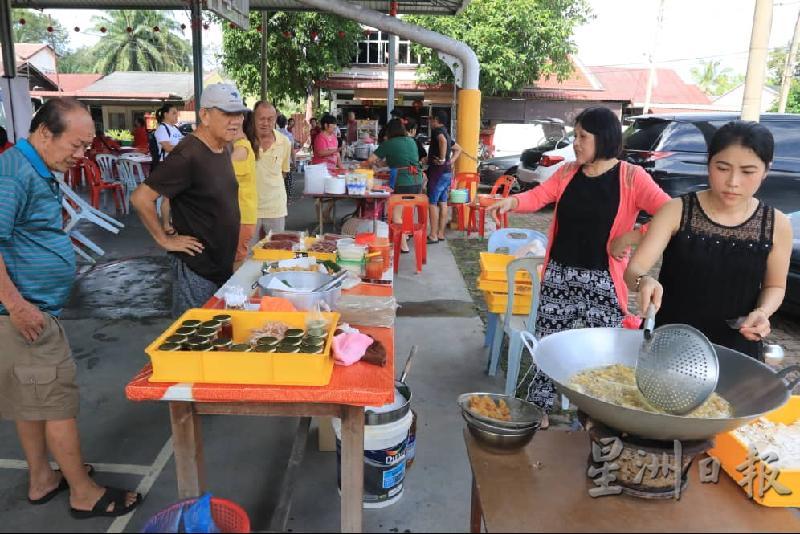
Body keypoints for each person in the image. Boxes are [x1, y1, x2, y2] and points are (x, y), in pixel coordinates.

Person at [0, 98, 140, 518]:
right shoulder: (14, 172)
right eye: (76, 146)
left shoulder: (35, 168)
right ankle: (83, 491)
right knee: (57, 403)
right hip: (26, 315)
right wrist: (17, 305)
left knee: (33, 399)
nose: (81, 156)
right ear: (45, 133)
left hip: (30, 310)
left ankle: (42, 478)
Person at [488, 107, 670, 418]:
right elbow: (540, 196)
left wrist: (632, 237)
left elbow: (669, 213)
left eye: (583, 137)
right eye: (576, 136)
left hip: (603, 280)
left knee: (601, 353)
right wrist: (513, 201)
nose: (576, 143)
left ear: (605, 138)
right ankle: (540, 409)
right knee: (549, 345)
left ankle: (596, 418)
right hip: (559, 274)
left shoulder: (630, 177)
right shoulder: (568, 172)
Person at [625, 121, 792, 361]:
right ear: (709, 163)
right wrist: (644, 281)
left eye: (748, 171)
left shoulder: (776, 224)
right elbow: (634, 270)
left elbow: (774, 286)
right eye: (722, 168)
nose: (733, 181)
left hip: (737, 348)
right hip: (670, 342)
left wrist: (763, 312)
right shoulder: (676, 210)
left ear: (766, 170)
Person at [131, 83, 247, 315]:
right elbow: (140, 198)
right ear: (204, 115)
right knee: (193, 338)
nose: (235, 121)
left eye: (239, 114)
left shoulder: (222, 147)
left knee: (217, 334)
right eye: (226, 114)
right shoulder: (188, 153)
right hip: (197, 269)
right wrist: (164, 239)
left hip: (219, 265)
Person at [363, 118, 424, 253]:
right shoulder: (411, 141)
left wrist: (366, 166)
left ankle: (403, 245)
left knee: (396, 213)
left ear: (389, 131)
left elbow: (370, 160)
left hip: (404, 182)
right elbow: (401, 160)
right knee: (406, 210)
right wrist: (381, 165)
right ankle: (406, 234)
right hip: (417, 180)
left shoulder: (389, 143)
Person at [251, 100, 292, 238]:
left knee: (276, 250)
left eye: (270, 119)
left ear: (275, 119)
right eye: (261, 118)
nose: (265, 123)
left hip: (275, 207)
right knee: (248, 254)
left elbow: (284, 172)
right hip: (249, 208)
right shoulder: (245, 141)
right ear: (253, 118)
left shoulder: (284, 142)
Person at [426, 111, 462, 243]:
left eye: (431, 120)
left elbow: (442, 141)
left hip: (438, 172)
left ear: (436, 120)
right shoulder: (446, 133)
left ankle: (433, 235)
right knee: (443, 202)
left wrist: (442, 159)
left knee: (432, 203)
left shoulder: (438, 132)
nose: (430, 122)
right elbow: (458, 149)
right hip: (446, 172)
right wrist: (449, 161)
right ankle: (440, 233)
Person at [232, 111, 257, 270]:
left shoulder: (241, 149)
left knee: (236, 260)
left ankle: (235, 293)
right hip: (240, 214)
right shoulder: (239, 146)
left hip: (241, 215)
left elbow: (217, 178)